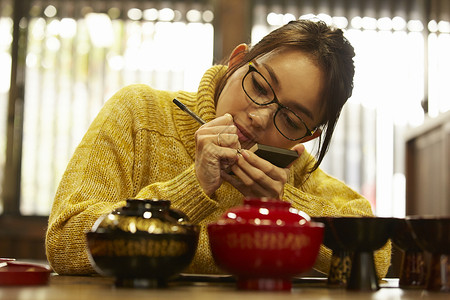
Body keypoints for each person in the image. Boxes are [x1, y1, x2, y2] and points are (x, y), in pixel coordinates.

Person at [46, 19, 391, 277]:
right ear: (236, 61)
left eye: (289, 119)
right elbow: (64, 240)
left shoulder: (289, 170)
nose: (259, 117)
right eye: (258, 85)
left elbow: (375, 257)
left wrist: (285, 205)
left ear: (305, 137)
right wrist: (192, 187)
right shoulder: (140, 113)